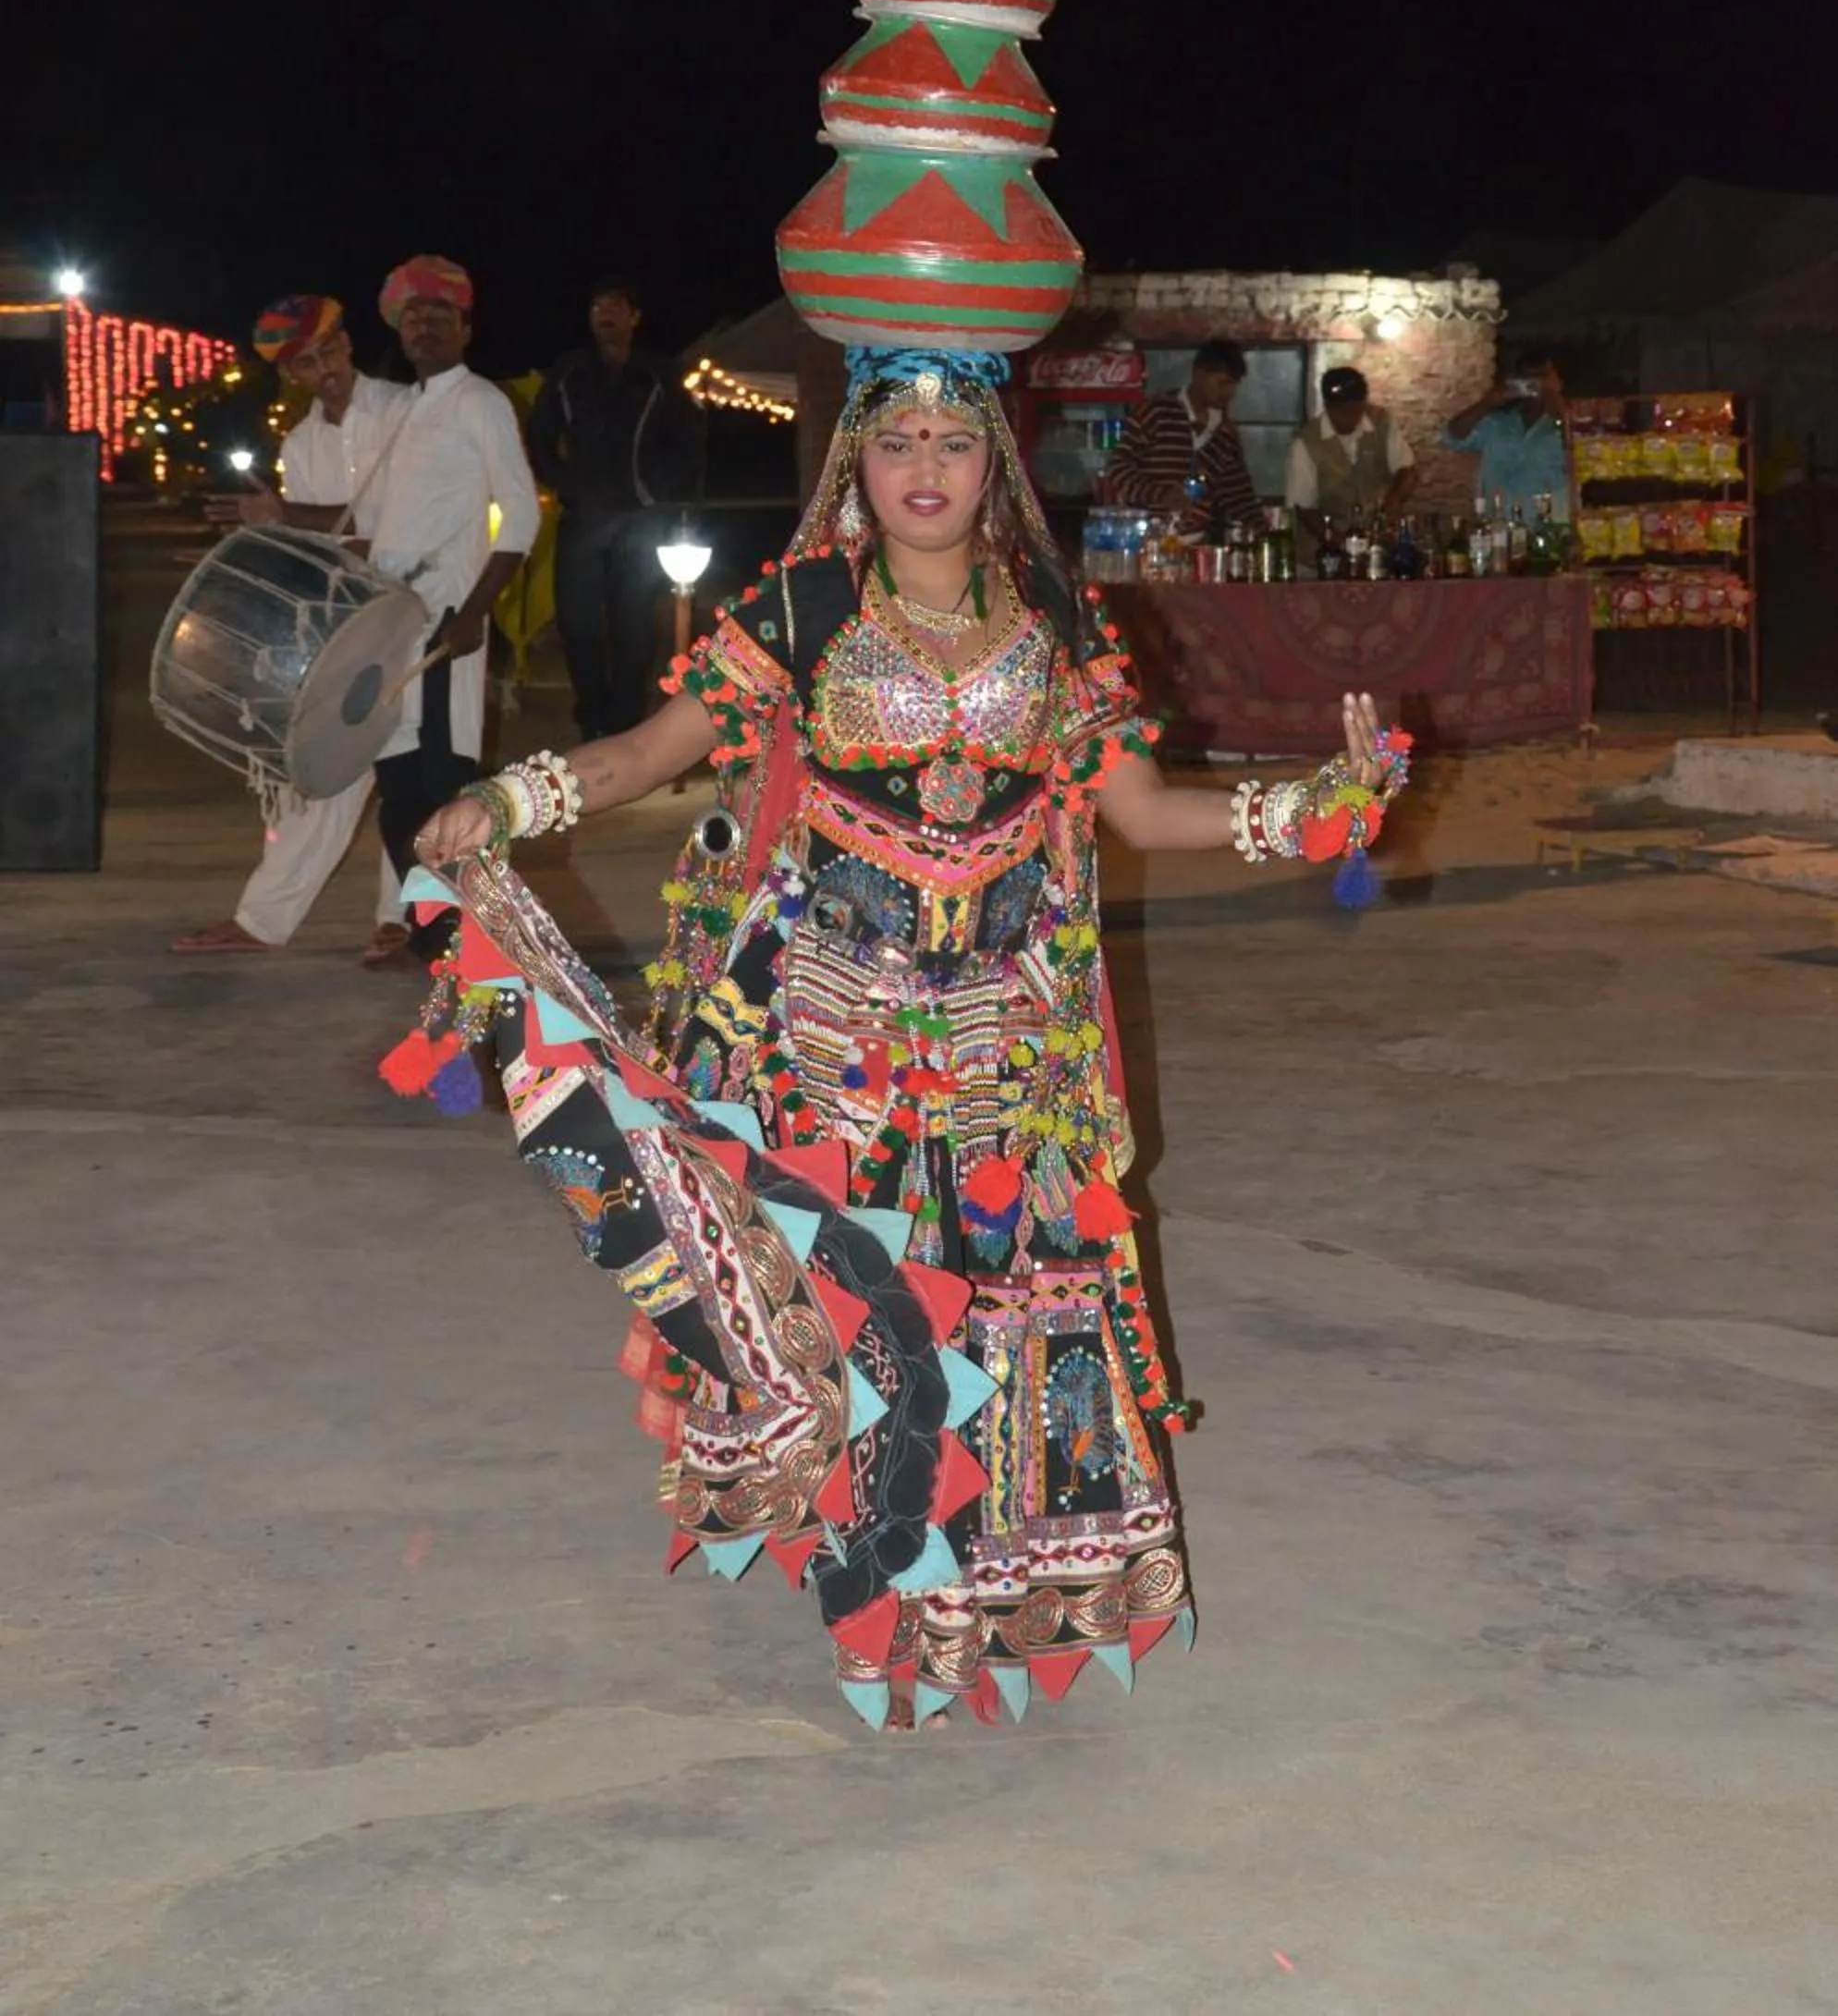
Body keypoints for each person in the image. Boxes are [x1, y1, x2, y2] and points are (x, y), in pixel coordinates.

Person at [404, 347, 1407, 1727]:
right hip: (833, 1027)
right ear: (854, 467)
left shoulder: (1054, 619)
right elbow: (646, 753)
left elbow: (1154, 814)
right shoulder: (803, 608)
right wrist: (508, 802)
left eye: (954, 441)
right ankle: (882, 1587)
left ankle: (1004, 1581)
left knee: (1012, 1286)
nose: (926, 469)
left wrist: (1315, 809)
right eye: (899, 443)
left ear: (996, 463)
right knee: (861, 1304)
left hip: (1013, 1031)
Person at [172, 294, 413, 966]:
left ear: (348, 344)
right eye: (307, 361)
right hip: (351, 623)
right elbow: (327, 545)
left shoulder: (404, 411)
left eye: (330, 349)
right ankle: (262, 919)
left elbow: (397, 523)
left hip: (426, 611)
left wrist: (285, 515)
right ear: (293, 374)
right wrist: (270, 533)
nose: (324, 367)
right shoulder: (301, 443)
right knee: (324, 774)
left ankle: (402, 919)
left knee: (411, 774)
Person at [365, 256, 541, 959]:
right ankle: (438, 934)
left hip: (444, 620)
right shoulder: (405, 410)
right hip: (391, 623)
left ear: (466, 329)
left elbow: (521, 517)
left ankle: (462, 940)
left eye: (440, 317)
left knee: (439, 789)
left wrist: (473, 613)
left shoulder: (481, 401)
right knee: (397, 786)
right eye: (413, 317)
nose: (424, 327)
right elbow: (377, 524)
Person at [526, 277, 705, 739]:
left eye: (614, 306)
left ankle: (626, 721)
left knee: (634, 622)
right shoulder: (569, 372)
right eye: (596, 307)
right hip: (585, 515)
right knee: (578, 620)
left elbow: (688, 438)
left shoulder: (658, 374)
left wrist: (658, 492)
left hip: (643, 519)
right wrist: (565, 482)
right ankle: (593, 717)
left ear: (633, 316)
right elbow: (539, 436)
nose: (604, 314)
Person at [1103, 337, 1261, 535]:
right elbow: (1118, 467)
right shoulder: (1157, 412)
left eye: (1234, 385)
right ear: (1199, 373)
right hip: (1145, 538)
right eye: (1222, 383)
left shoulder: (1225, 435)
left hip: (1197, 543)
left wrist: (1266, 533)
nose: (1229, 392)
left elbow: (1239, 497)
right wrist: (1161, 495)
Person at [1286, 364, 1416, 555]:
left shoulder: (1381, 423)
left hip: (1377, 548)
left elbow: (1407, 471)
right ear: (1327, 407)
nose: (1350, 419)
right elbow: (1303, 507)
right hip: (1322, 553)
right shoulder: (1306, 443)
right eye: (1342, 413)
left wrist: (1393, 500)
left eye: (1356, 412)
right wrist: (1337, 541)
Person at [1443, 351, 1570, 517]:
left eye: (1542, 377)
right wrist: (1487, 403)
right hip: (1499, 526)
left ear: (1559, 383)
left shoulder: (1570, 426)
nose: (1535, 384)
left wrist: (1559, 408)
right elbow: (1452, 437)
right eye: (1527, 378)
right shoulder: (1497, 423)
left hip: (1552, 528)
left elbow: (1582, 453)